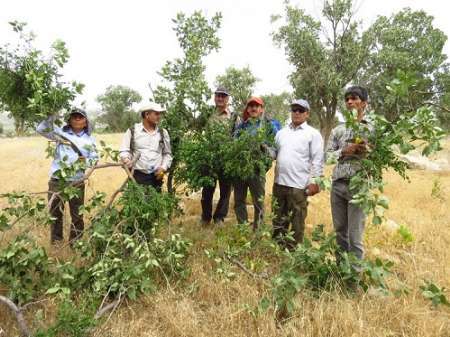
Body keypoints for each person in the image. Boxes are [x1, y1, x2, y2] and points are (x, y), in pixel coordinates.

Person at [36, 108, 98, 244]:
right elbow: (41, 129)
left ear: (86, 122)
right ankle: (56, 243)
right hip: (57, 181)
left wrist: (84, 161)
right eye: (74, 116)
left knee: (77, 215)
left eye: (80, 117)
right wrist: (52, 114)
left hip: (77, 181)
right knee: (55, 214)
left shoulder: (90, 140)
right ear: (69, 120)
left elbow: (94, 159)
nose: (77, 119)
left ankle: (76, 244)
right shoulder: (60, 133)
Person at [326, 86, 372, 260]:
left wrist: (368, 149)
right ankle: (341, 271)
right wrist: (345, 151)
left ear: (364, 104)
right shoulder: (338, 130)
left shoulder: (371, 129)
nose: (350, 102)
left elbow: (380, 155)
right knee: (340, 233)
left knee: (355, 237)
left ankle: (353, 281)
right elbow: (328, 156)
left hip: (359, 187)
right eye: (347, 99)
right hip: (338, 186)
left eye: (354, 98)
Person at [271, 99, 324, 249]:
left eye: (301, 110)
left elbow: (318, 160)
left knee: (297, 222)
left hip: (299, 186)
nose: (297, 113)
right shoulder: (281, 133)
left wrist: (315, 181)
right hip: (279, 183)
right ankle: (277, 249)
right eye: (294, 110)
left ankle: (293, 252)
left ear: (307, 114)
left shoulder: (313, 134)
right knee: (278, 220)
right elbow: (274, 154)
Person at [233, 96, 281, 229]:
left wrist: (265, 149)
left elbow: (276, 148)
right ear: (247, 109)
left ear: (261, 109)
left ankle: (258, 230)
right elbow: (234, 143)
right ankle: (242, 227)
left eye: (257, 106)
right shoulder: (242, 126)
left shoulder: (268, 126)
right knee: (239, 201)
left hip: (257, 170)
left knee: (258, 201)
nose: (254, 108)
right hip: (241, 169)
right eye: (251, 106)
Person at [200, 87, 234, 226]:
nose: (220, 98)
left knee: (225, 191)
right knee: (207, 190)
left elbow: (236, 137)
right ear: (214, 97)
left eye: (223, 96)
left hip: (226, 159)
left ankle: (219, 218)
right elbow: (197, 128)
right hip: (209, 158)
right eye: (218, 96)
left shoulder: (234, 116)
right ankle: (205, 217)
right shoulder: (207, 113)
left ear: (227, 99)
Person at [119, 103, 172, 191]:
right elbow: (124, 150)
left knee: (154, 203)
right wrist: (126, 159)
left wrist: (163, 167)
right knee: (137, 202)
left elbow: (167, 154)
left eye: (160, 114)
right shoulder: (132, 131)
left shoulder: (163, 133)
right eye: (156, 114)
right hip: (137, 175)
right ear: (147, 115)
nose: (159, 116)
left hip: (156, 177)